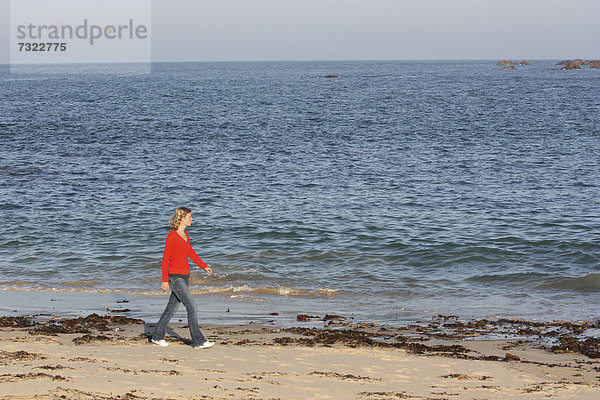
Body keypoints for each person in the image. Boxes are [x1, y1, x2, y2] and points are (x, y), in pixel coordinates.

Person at [151, 207, 214, 349]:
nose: (191, 219)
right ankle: (198, 341)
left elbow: (190, 252)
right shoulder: (171, 236)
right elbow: (165, 259)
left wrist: (203, 266)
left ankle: (156, 336)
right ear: (182, 218)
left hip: (185, 277)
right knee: (192, 307)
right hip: (175, 278)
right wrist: (164, 280)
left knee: (171, 310)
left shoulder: (184, 234)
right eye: (189, 217)